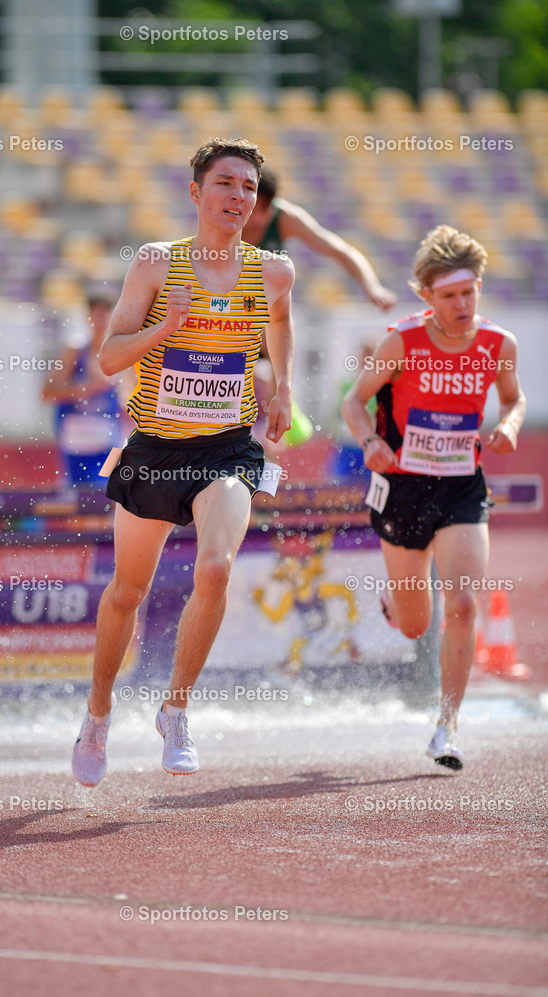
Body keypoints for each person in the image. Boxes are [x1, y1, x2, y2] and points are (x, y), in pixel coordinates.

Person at [72, 137, 295, 786]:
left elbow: (280, 322)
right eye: (225, 184)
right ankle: (98, 712)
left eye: (248, 188)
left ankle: (175, 710)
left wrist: (282, 387)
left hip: (225, 447)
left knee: (218, 568)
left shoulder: (272, 271)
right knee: (127, 595)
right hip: (154, 449)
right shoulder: (155, 263)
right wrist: (164, 332)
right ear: (196, 193)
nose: (237, 197)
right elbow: (109, 358)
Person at [341, 224, 526, 771]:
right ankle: (395, 604)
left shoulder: (499, 344)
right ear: (427, 297)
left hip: (462, 488)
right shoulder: (401, 341)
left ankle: (446, 725)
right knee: (417, 623)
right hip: (401, 488)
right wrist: (370, 440)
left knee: (464, 604)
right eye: (449, 296)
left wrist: (510, 424)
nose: (462, 304)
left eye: (469, 293)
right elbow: (355, 401)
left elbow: (514, 400)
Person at [242, 167, 396, 311]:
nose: (259, 219)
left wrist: (372, 288)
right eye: (255, 209)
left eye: (266, 209)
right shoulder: (224, 215)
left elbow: (342, 251)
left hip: (265, 299)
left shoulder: (286, 218)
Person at [42, 290, 125, 486]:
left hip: (109, 443)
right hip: (74, 442)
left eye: (106, 315)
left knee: (108, 496)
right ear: (87, 318)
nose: (101, 321)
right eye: (96, 315)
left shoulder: (122, 353)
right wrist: (85, 389)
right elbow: (46, 393)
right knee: (78, 503)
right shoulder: (74, 351)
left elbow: (129, 401)